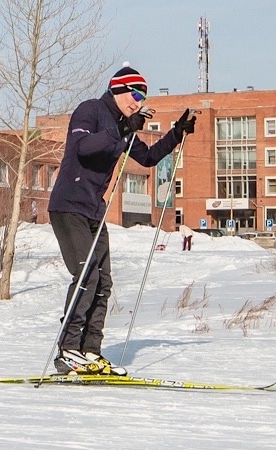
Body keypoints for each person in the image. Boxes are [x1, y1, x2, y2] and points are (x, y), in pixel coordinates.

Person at [47, 63, 196, 375]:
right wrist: (126, 128)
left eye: (143, 96)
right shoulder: (90, 111)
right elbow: (84, 147)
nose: (138, 101)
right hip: (68, 207)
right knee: (86, 275)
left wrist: (176, 134)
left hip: (94, 211)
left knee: (103, 282)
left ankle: (90, 351)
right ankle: (67, 349)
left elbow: (148, 158)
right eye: (135, 93)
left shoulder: (123, 124)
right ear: (117, 88)